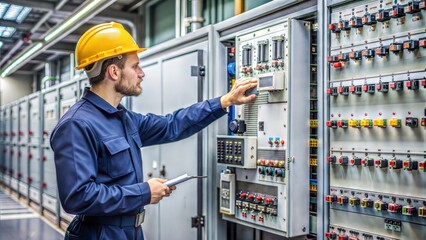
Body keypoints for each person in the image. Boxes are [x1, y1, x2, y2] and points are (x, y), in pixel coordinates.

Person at [50, 22, 258, 240]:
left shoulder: (124, 118)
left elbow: (172, 125)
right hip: (98, 234)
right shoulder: (76, 124)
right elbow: (78, 197)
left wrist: (224, 102)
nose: (141, 73)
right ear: (113, 72)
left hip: (131, 231)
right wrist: (144, 192)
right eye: (135, 66)